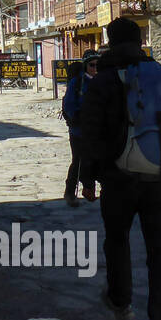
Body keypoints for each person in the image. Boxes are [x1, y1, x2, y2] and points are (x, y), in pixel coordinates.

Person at [80, 18, 161, 320]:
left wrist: (88, 178)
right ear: (141, 39)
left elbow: (90, 132)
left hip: (120, 178)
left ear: (110, 42)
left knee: (117, 240)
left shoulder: (102, 81)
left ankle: (121, 300)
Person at [61, 51, 100, 206]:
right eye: (92, 65)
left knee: (96, 159)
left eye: (98, 65)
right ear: (85, 66)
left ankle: (89, 188)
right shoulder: (77, 83)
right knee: (78, 160)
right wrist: (78, 118)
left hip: (98, 129)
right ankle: (70, 192)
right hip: (79, 130)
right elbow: (69, 104)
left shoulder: (102, 81)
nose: (95, 68)